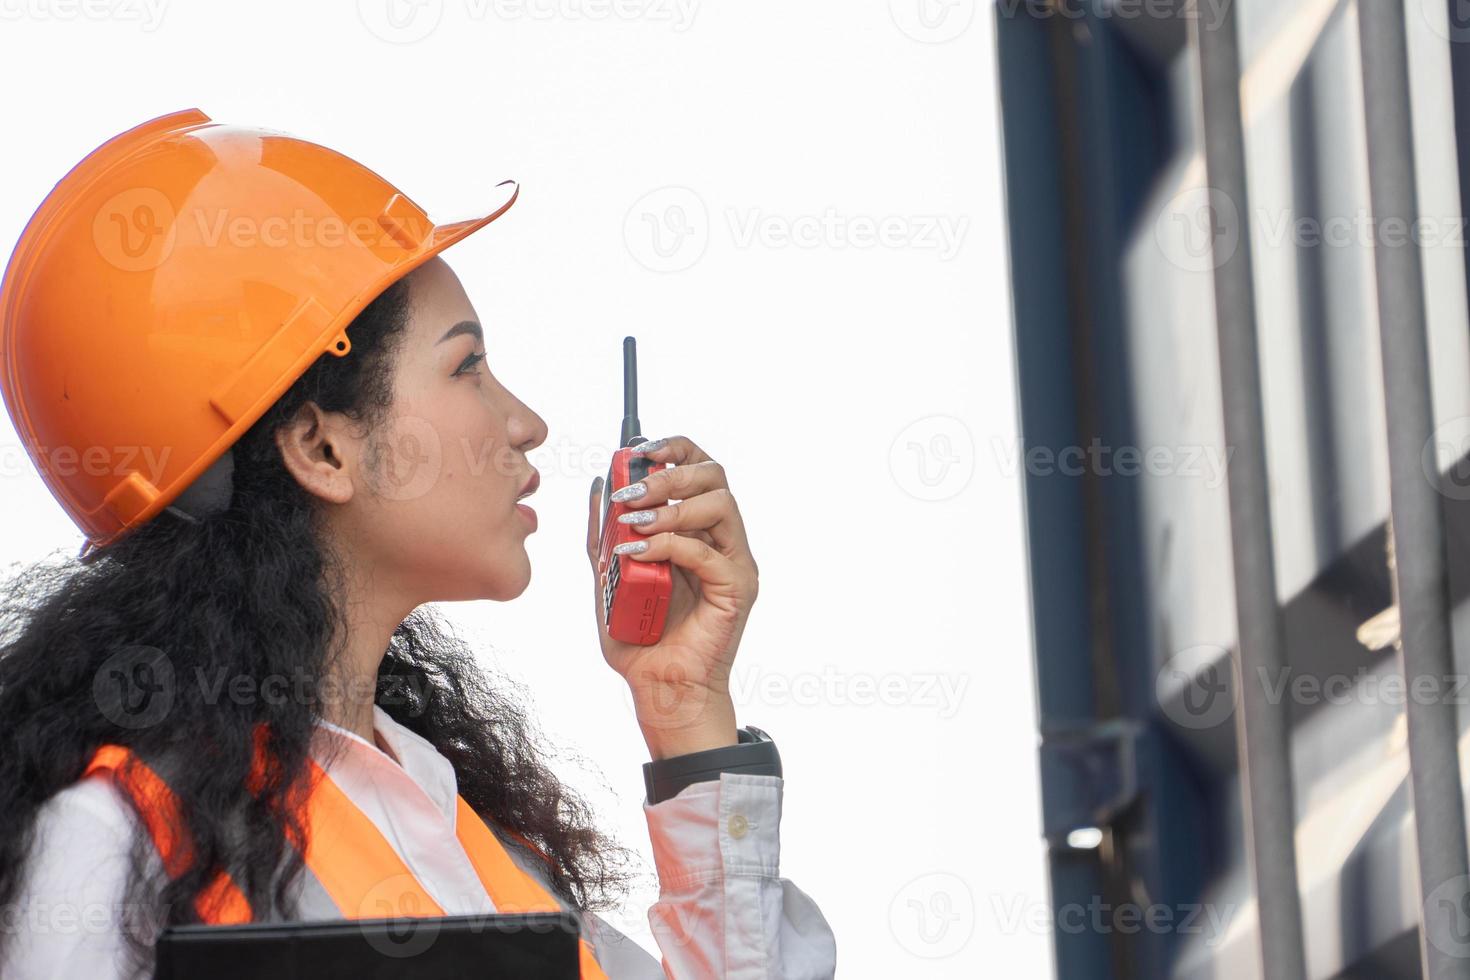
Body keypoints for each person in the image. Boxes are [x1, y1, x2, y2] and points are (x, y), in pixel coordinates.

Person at [0, 109, 837, 979]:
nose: (526, 423)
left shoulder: (473, 845)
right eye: (466, 366)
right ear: (323, 448)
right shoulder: (122, 844)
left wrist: (688, 715)